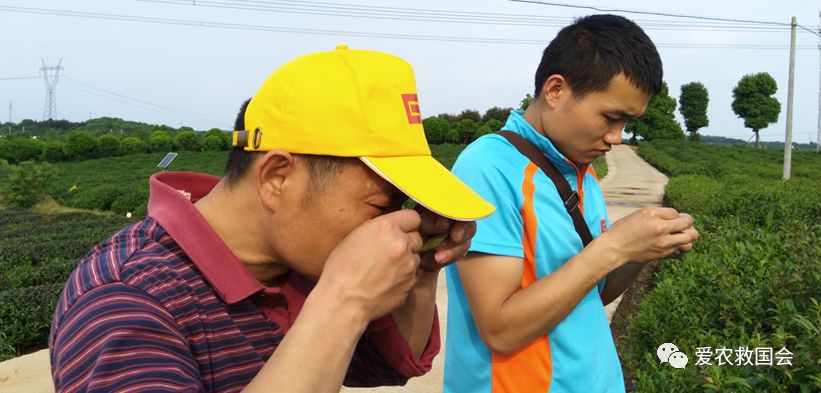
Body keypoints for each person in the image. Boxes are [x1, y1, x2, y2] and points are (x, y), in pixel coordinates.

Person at [49, 45, 494, 393]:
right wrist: (344, 300)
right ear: (277, 177)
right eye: (381, 207)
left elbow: (385, 365)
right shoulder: (127, 301)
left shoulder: (293, 261)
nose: (389, 228)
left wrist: (420, 267)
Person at [443, 15, 700, 392]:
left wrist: (644, 250)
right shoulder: (488, 168)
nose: (616, 137)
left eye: (627, 123)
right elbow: (500, 329)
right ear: (556, 90)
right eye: (610, 118)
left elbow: (593, 293)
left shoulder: (581, 173)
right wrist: (613, 247)